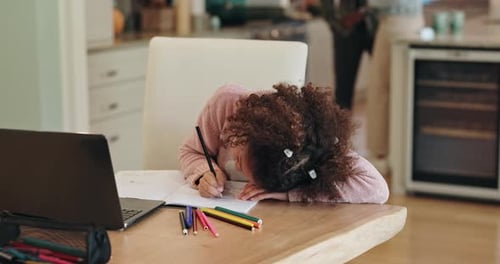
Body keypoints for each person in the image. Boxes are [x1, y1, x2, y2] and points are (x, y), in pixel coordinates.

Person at [179, 83, 389, 203]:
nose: (238, 167)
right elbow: (191, 151)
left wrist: (288, 194)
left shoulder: (312, 144)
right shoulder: (226, 104)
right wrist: (206, 172)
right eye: (240, 159)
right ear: (243, 130)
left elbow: (376, 188)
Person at [366, 0, 424, 167]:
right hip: (415, 21)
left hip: (395, 24)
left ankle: (381, 155)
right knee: (403, 90)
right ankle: (400, 155)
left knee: (381, 90)